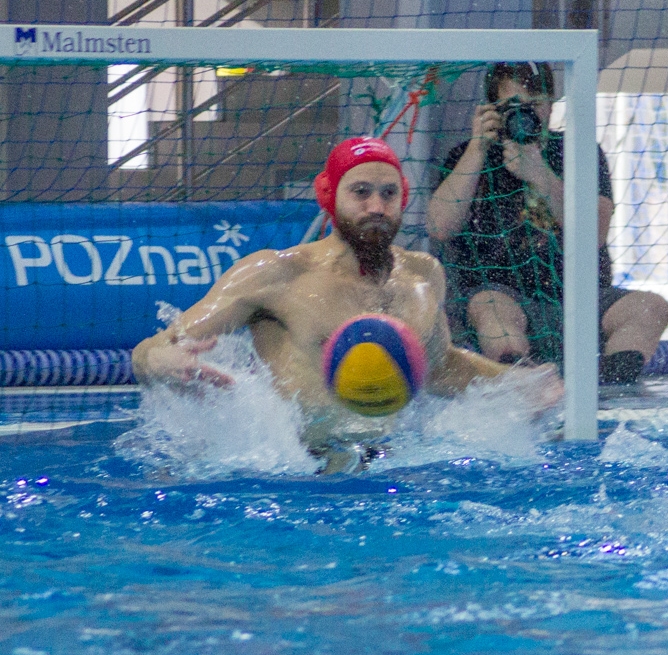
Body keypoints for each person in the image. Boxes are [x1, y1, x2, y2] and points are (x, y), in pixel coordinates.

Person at [132, 137, 559, 466]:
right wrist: (161, 362)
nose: (376, 206)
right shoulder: (275, 274)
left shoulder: (423, 275)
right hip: (299, 472)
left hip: (393, 461)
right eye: (361, 192)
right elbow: (149, 350)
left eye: (389, 194)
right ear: (329, 195)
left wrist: (515, 385)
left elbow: (438, 364)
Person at [427, 62, 668, 384]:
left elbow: (594, 234)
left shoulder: (579, 152)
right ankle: (529, 387)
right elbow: (439, 227)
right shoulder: (468, 155)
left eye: (535, 104)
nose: (525, 115)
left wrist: (539, 175)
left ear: (552, 104)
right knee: (492, 308)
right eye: (512, 106)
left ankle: (611, 389)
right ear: (492, 109)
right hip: (500, 296)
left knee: (650, 306)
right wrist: (477, 148)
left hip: (579, 298)